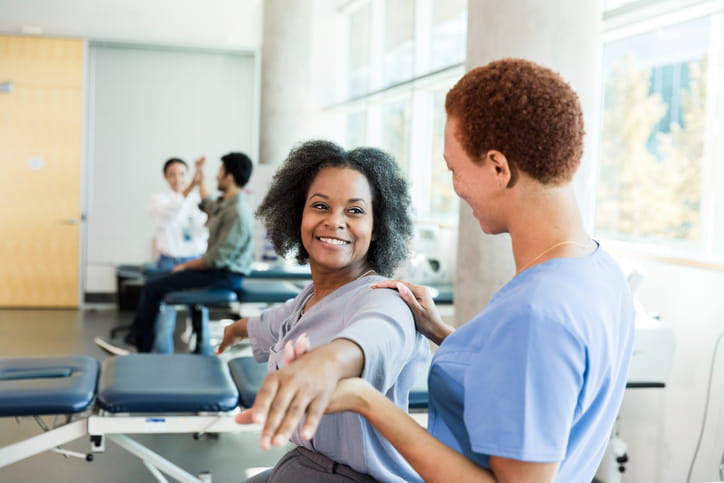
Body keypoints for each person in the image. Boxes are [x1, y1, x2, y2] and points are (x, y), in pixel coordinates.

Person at [260, 59, 636, 482]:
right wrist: (441, 333)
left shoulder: (536, 312)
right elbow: (534, 384)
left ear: (498, 167)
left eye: (456, 169)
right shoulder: (598, 269)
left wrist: (367, 401)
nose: (456, 187)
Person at [216, 140, 429, 482]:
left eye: (355, 211)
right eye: (320, 206)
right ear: (297, 214)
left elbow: (375, 335)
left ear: (377, 229)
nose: (335, 221)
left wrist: (326, 363)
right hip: (305, 464)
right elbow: (272, 322)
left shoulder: (385, 299)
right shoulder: (311, 297)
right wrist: (236, 329)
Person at [95, 152, 255, 356]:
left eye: (220, 172)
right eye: (173, 174)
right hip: (213, 270)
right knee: (154, 284)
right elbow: (208, 204)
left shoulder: (237, 211)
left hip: (221, 274)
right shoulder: (227, 205)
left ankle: (137, 345)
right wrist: (200, 177)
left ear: (229, 177)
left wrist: (186, 265)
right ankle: (141, 346)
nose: (217, 176)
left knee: (153, 286)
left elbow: (215, 259)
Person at [149, 157, 208, 272]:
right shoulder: (158, 199)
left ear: (187, 175)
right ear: (165, 177)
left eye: (182, 174)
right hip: (169, 261)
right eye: (172, 175)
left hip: (196, 259)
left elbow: (205, 224)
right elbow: (172, 209)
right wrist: (191, 185)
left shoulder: (195, 198)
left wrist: (200, 174)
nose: (178, 179)